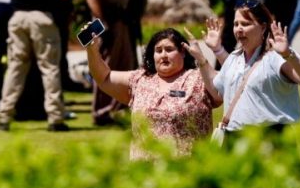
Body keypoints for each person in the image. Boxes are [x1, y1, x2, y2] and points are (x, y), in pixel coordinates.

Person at [185, 0, 300, 134]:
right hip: (235, 139)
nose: (239, 29)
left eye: (245, 24)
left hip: (272, 139)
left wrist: (288, 54)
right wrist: (202, 58)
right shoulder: (234, 57)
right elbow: (217, 93)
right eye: (236, 24)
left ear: (263, 27)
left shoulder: (276, 56)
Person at [85, 27, 219, 159]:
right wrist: (92, 50)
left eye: (169, 49)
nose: (163, 55)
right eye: (158, 50)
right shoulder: (139, 80)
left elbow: (222, 92)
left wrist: (206, 57)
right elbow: (103, 77)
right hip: (144, 173)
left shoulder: (199, 79)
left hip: (186, 170)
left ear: (183, 52)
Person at [0, 0, 73, 132]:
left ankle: (4, 115)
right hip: (41, 18)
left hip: (18, 17)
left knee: (15, 67)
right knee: (49, 67)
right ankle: (55, 118)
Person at [84, 0, 137, 126]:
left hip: (120, 22)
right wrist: (102, 24)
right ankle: (102, 112)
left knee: (123, 65)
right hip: (109, 24)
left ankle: (117, 109)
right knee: (106, 67)